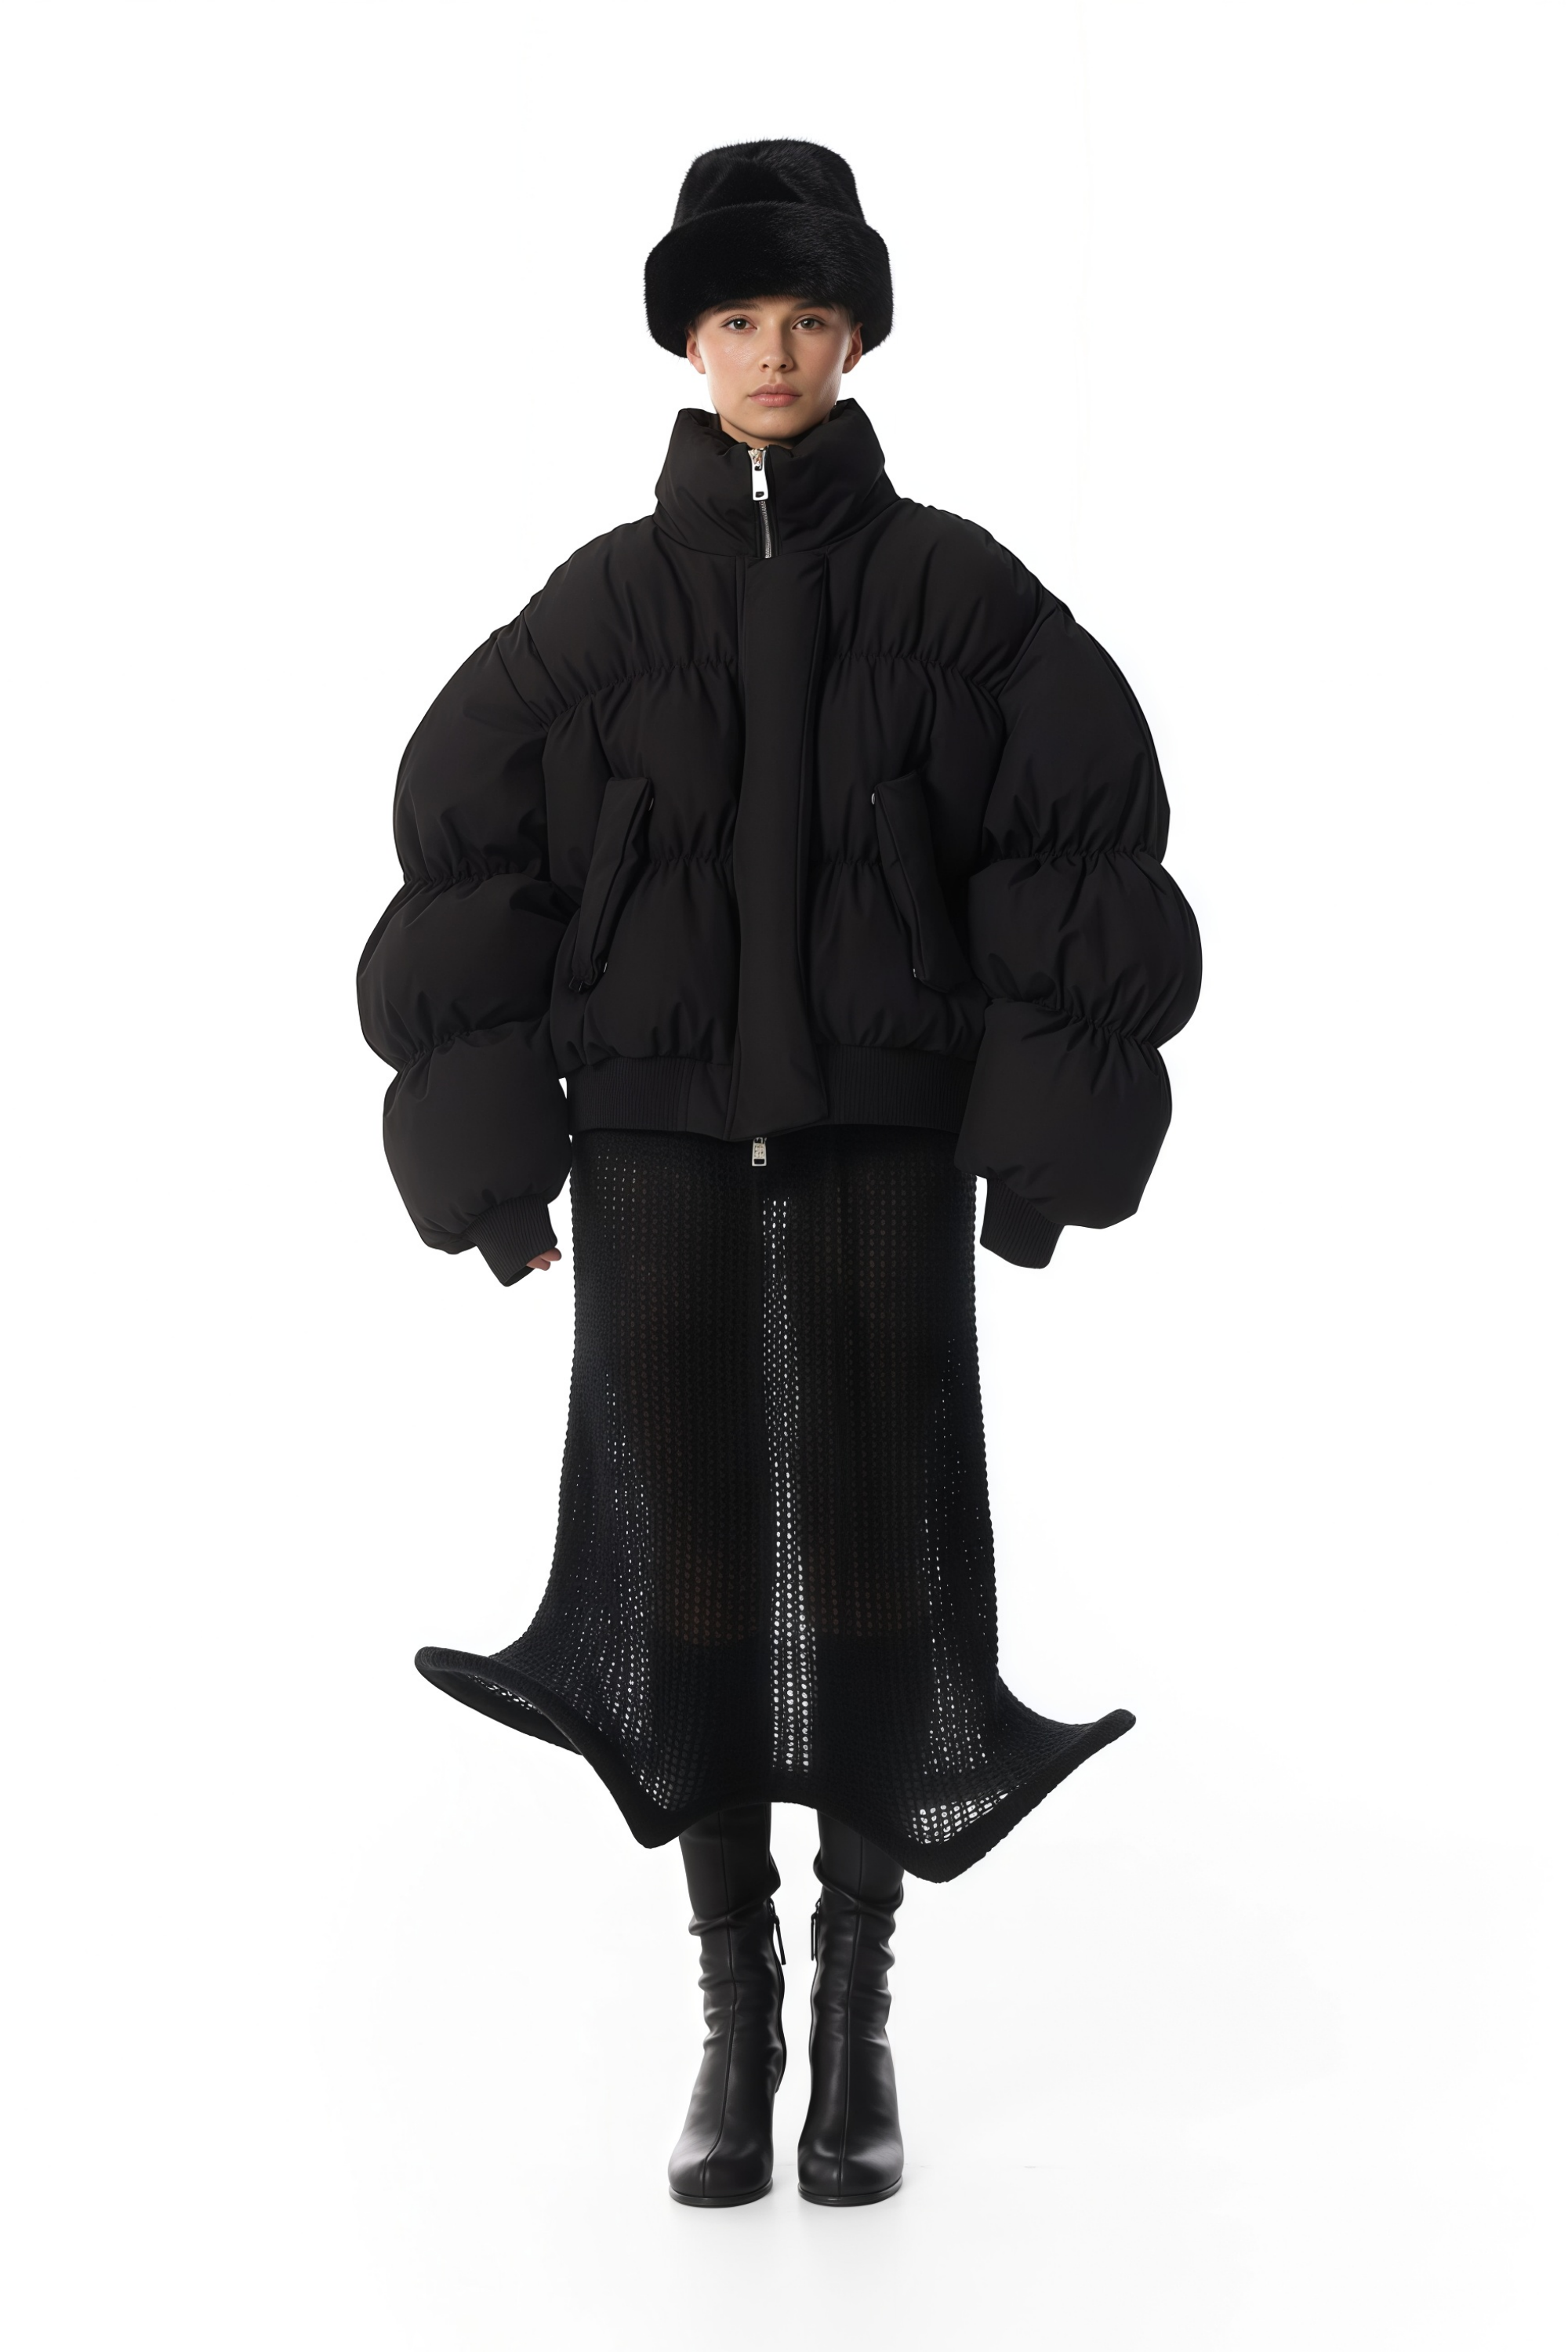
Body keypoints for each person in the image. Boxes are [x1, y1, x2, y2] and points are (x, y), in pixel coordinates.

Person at [357, 139, 1201, 2208]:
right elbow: (466, 857)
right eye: (739, 317)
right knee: (691, 1566)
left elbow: (1080, 851)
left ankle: (857, 2020)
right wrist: (492, 1174)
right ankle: (735, 2026)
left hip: (878, 1146)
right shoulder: (600, 611)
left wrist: (1037, 1156)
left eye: (811, 317)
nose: (774, 352)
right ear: (687, 340)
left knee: (880, 1558)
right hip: (650, 1147)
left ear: (857, 340)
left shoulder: (961, 599)